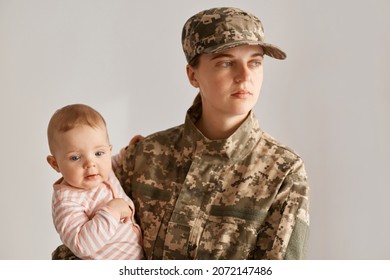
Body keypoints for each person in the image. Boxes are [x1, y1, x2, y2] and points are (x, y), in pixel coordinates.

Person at [52, 6, 309, 260]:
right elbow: (78, 252)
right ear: (192, 75)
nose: (245, 76)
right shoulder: (144, 156)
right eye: (226, 63)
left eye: (255, 63)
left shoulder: (283, 171)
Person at [47, 104, 144, 260]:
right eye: (75, 157)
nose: (90, 164)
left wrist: (128, 153)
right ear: (55, 164)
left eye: (99, 153)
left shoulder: (101, 172)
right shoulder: (67, 202)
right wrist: (112, 211)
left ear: (108, 150)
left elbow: (112, 164)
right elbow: (81, 245)